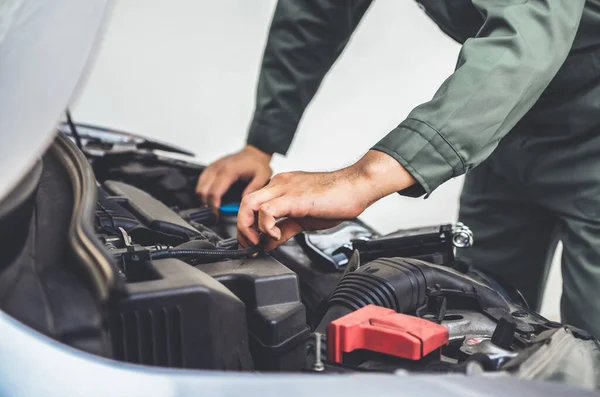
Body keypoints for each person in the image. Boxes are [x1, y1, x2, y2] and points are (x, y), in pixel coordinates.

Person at [196, 1, 600, 338]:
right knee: (484, 316)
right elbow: (317, 9)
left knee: (591, 354)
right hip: (506, 128)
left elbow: (526, 39)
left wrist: (364, 179)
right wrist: (262, 140)